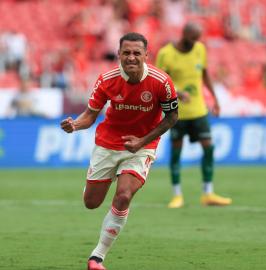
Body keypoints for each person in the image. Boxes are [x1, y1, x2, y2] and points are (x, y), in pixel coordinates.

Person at [60, 32, 178, 270]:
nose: (131, 57)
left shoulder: (161, 82)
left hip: (142, 145)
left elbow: (172, 117)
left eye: (137, 53)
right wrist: (75, 125)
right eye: (126, 53)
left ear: (146, 54)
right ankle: (98, 181)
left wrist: (142, 141)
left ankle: (97, 257)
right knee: (91, 203)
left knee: (124, 195)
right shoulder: (107, 79)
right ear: (119, 54)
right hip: (108, 143)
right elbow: (90, 115)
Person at [156, 22, 231, 208]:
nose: (194, 42)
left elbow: (205, 74)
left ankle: (208, 193)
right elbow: (159, 82)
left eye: (197, 39)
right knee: (176, 151)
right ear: (183, 34)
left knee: (208, 147)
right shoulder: (166, 54)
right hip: (176, 112)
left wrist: (215, 98)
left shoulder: (200, 49)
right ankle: (177, 195)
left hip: (199, 110)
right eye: (192, 38)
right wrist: (178, 92)